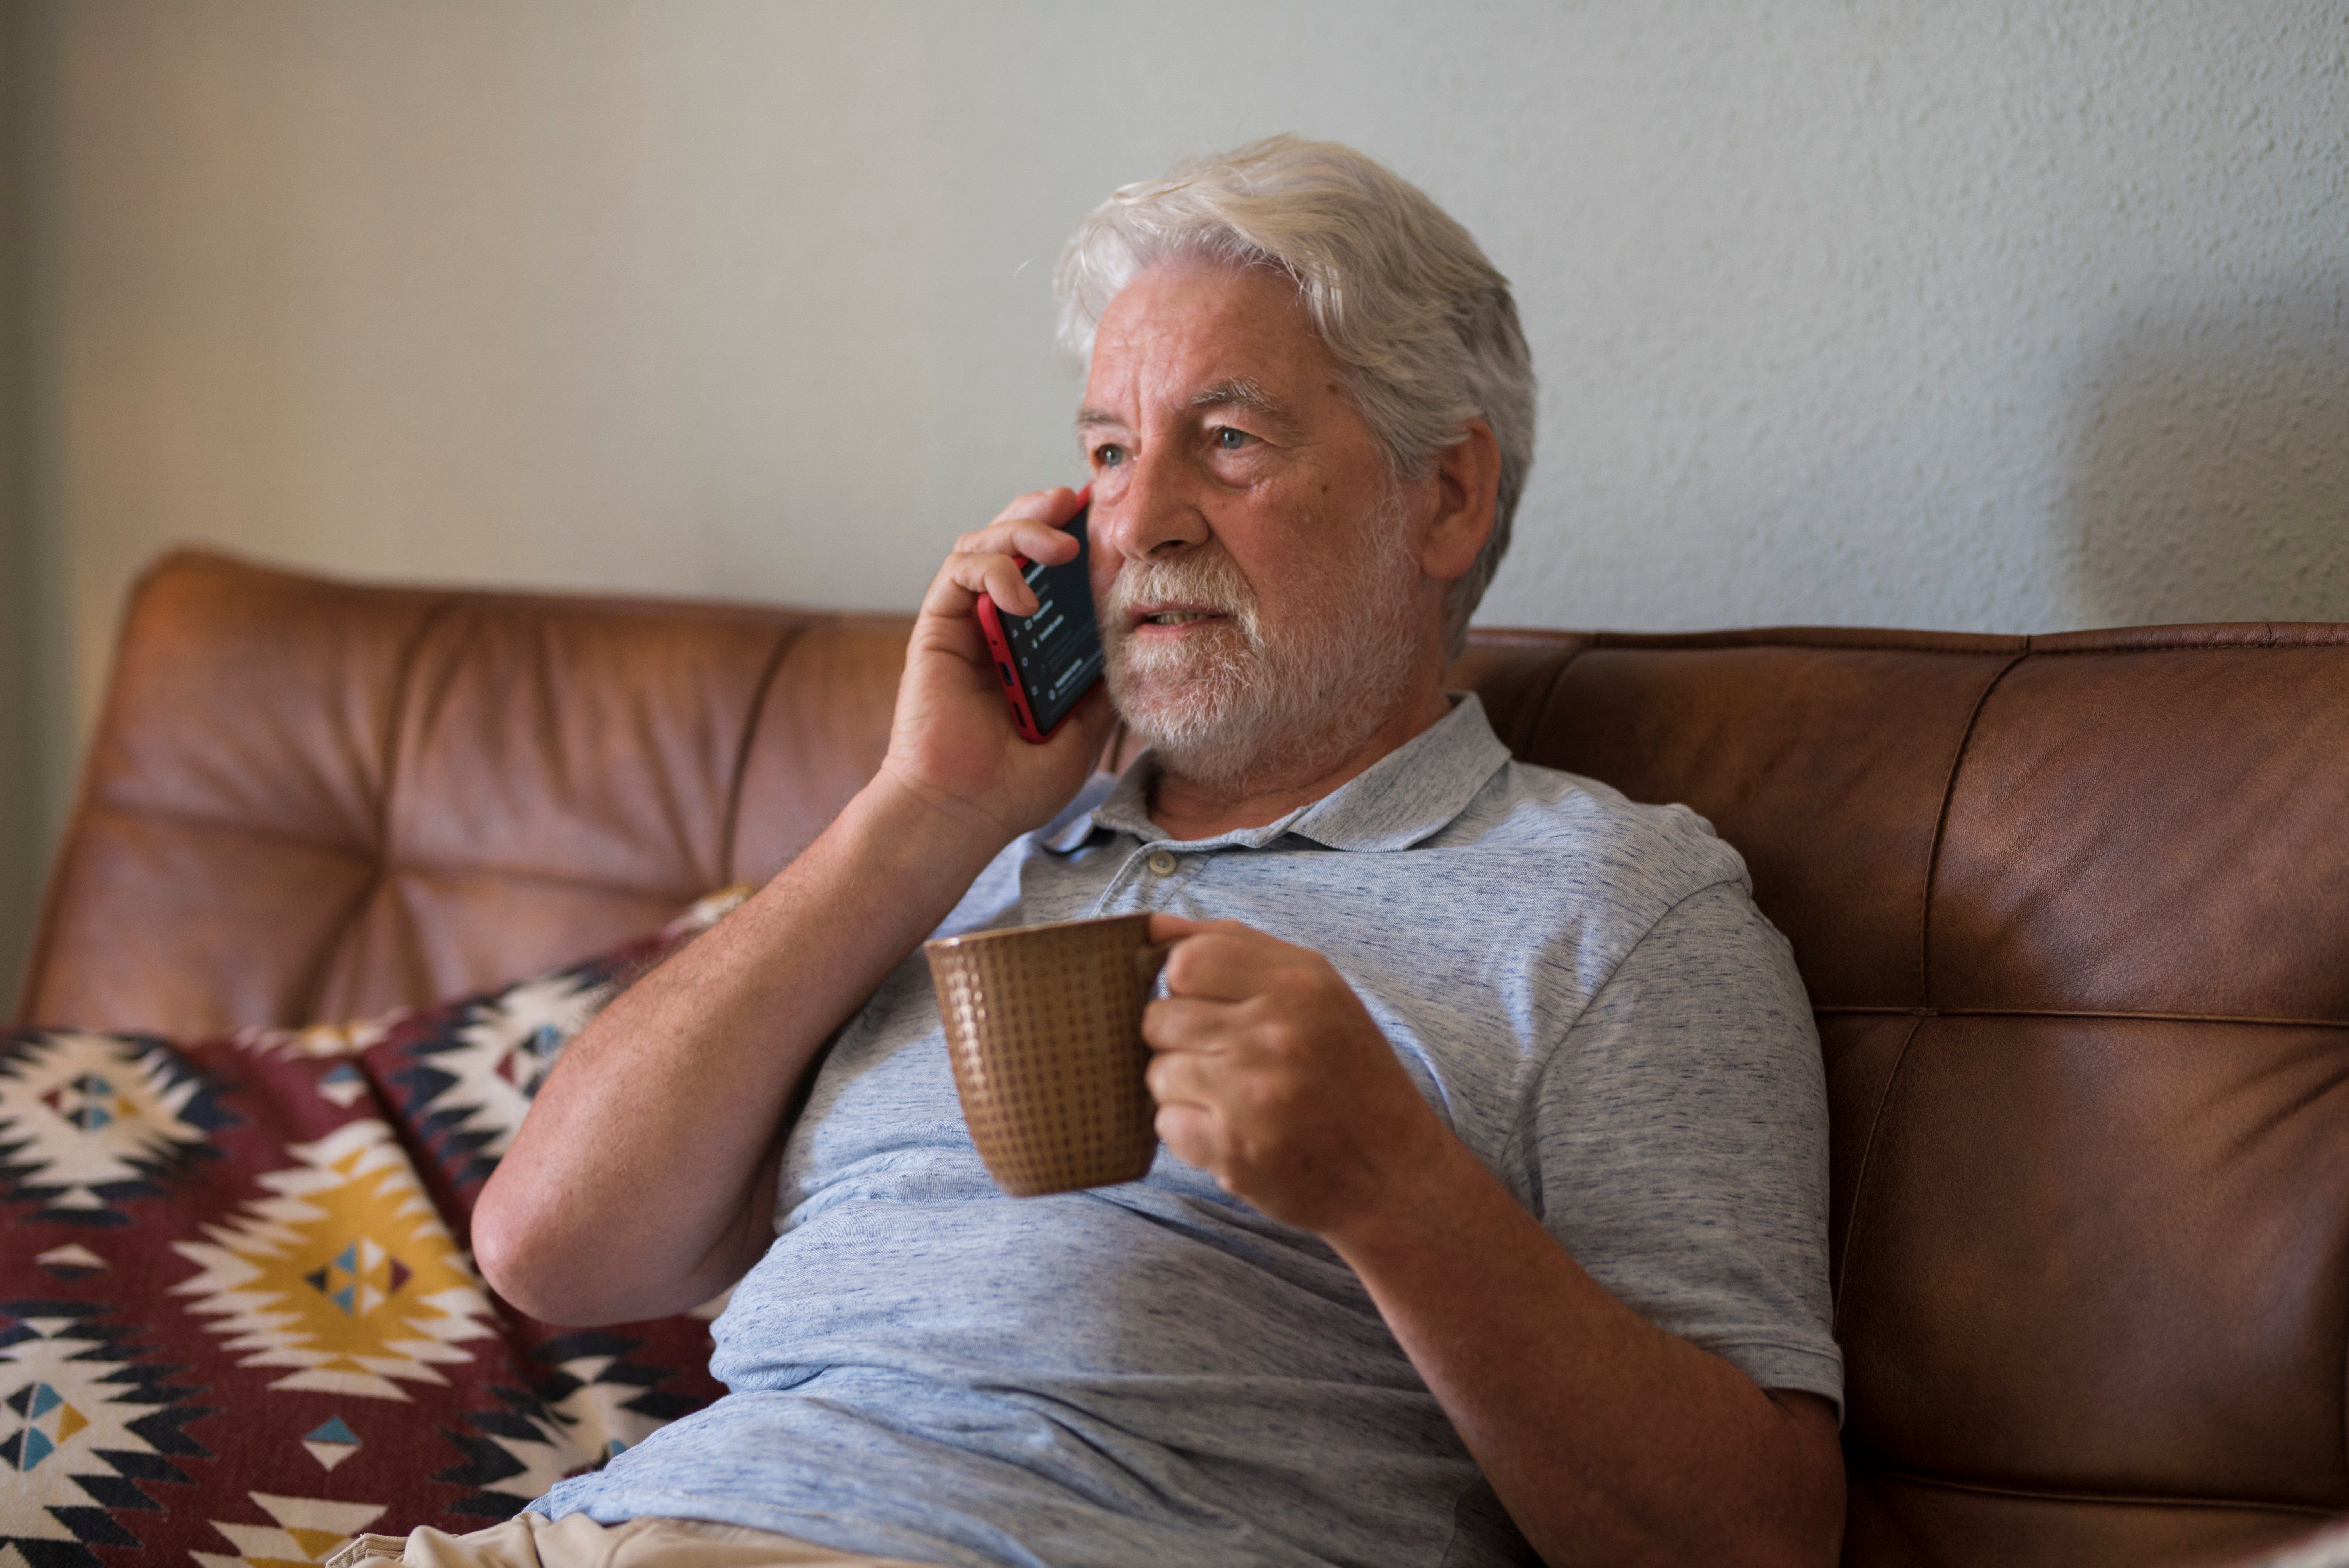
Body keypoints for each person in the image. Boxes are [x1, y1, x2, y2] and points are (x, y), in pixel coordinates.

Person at [453, 135, 1844, 1568]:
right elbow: (548, 1248)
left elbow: (1761, 1545)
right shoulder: (961, 860)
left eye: (1228, 440)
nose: (1137, 521)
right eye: (1110, 452)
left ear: (1446, 496)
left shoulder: (1613, 907)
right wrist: (922, 808)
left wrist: (1397, 1191)